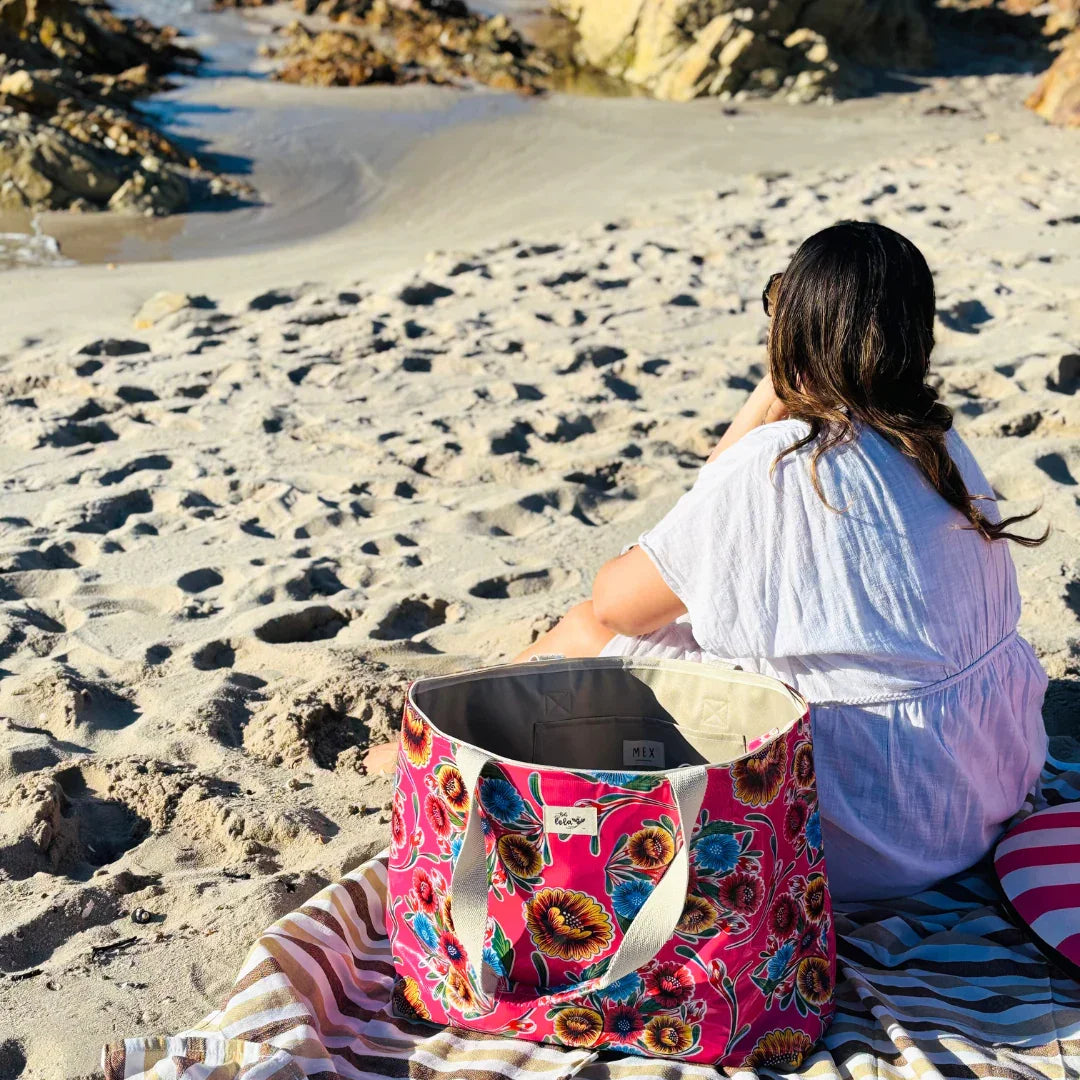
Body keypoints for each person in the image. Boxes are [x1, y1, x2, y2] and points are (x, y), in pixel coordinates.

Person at [514, 220, 1049, 902]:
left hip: (876, 838)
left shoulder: (785, 462)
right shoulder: (935, 441)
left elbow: (618, 599)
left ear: (793, 330)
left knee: (592, 629)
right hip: (982, 790)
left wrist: (770, 391)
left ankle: (416, 755)